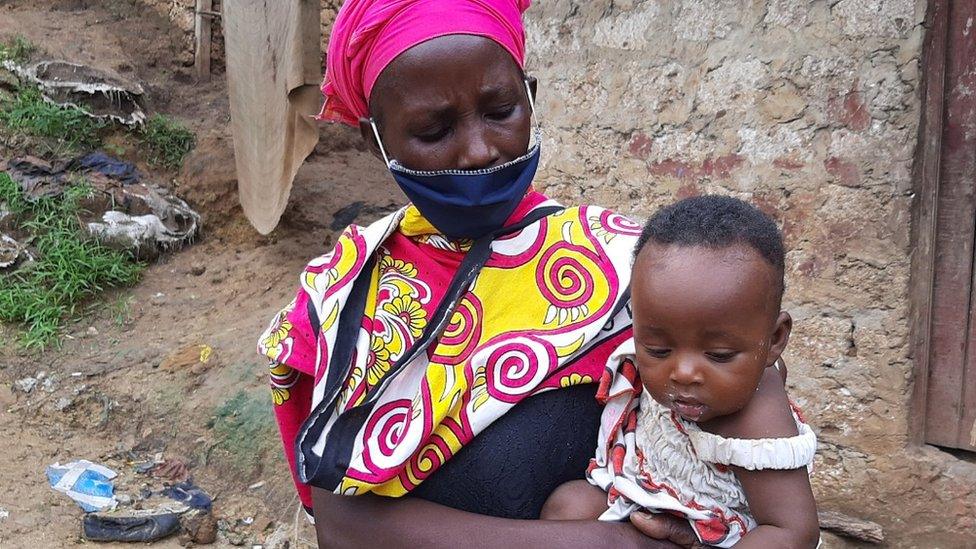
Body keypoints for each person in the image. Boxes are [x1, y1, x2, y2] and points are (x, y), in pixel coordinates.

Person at [257, 0, 716, 547]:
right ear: (373, 140)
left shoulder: (632, 266)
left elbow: (739, 452)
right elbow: (345, 526)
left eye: (501, 111)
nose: (479, 151)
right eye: (433, 130)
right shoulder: (345, 294)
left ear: (530, 98)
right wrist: (601, 543)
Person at [540, 196, 821, 548]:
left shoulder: (758, 421)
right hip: (649, 496)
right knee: (569, 505)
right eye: (658, 349)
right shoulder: (672, 364)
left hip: (718, 533)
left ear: (774, 340)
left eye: (719, 355)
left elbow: (793, 533)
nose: (684, 373)